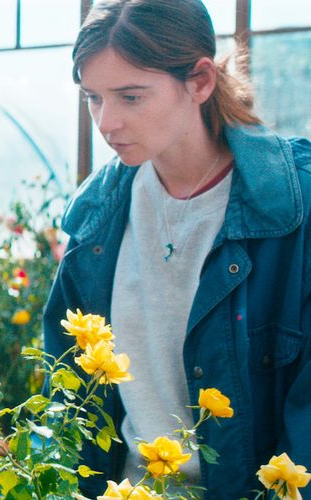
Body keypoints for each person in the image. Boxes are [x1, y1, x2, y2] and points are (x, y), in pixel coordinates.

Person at [42, 0, 311, 498]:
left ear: (201, 81)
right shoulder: (96, 215)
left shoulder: (294, 208)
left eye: (130, 97)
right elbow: (67, 394)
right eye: (93, 99)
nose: (107, 124)